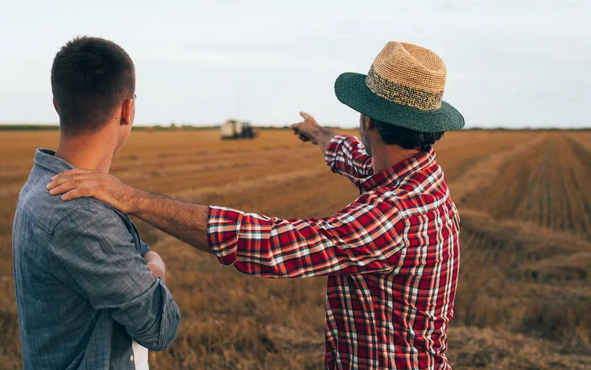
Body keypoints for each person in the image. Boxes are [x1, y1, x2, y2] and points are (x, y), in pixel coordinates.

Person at [48, 41, 464, 369]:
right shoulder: (417, 176)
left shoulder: (394, 216)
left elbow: (272, 243)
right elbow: (356, 158)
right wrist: (318, 133)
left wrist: (129, 196)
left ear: (368, 120)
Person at [13, 36, 181, 370]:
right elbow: (161, 326)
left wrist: (142, 263)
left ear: (57, 104)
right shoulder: (82, 216)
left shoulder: (40, 184)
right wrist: (157, 267)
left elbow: (131, 250)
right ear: (127, 110)